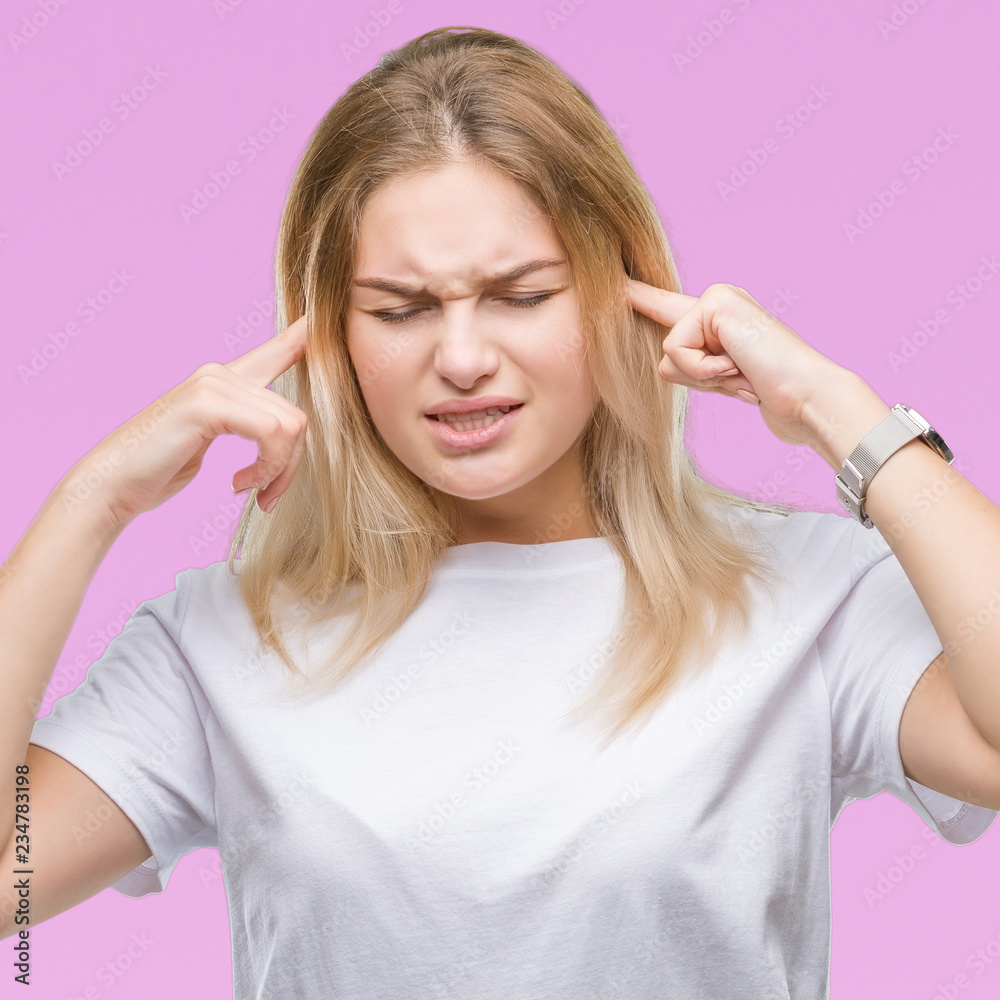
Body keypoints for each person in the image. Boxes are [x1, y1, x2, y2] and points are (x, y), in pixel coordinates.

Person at [2, 24, 999, 1000]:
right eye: (401, 308)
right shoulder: (218, 641)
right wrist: (91, 502)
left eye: (519, 294)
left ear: (617, 286)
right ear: (331, 333)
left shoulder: (805, 596)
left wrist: (845, 417)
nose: (464, 356)